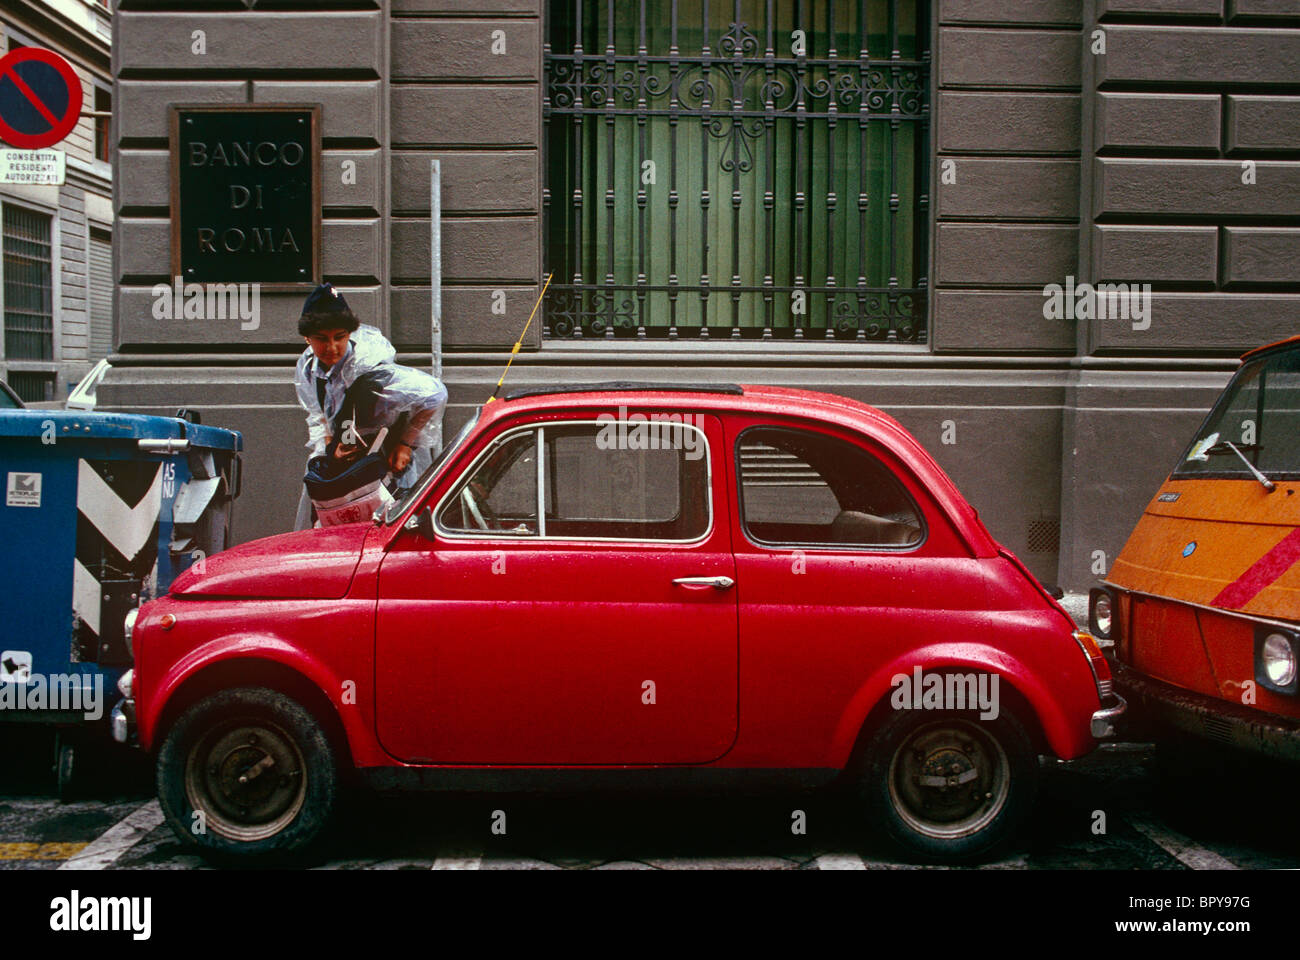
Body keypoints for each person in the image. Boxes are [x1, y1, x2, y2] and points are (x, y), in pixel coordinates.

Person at [292, 283, 447, 530]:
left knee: (388, 533)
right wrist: (333, 443)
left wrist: (406, 443)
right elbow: (318, 412)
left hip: (384, 463)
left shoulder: (371, 371)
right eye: (321, 339)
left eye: (339, 337)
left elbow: (434, 394)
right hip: (345, 467)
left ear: (350, 334)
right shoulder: (308, 366)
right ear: (307, 338)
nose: (331, 348)